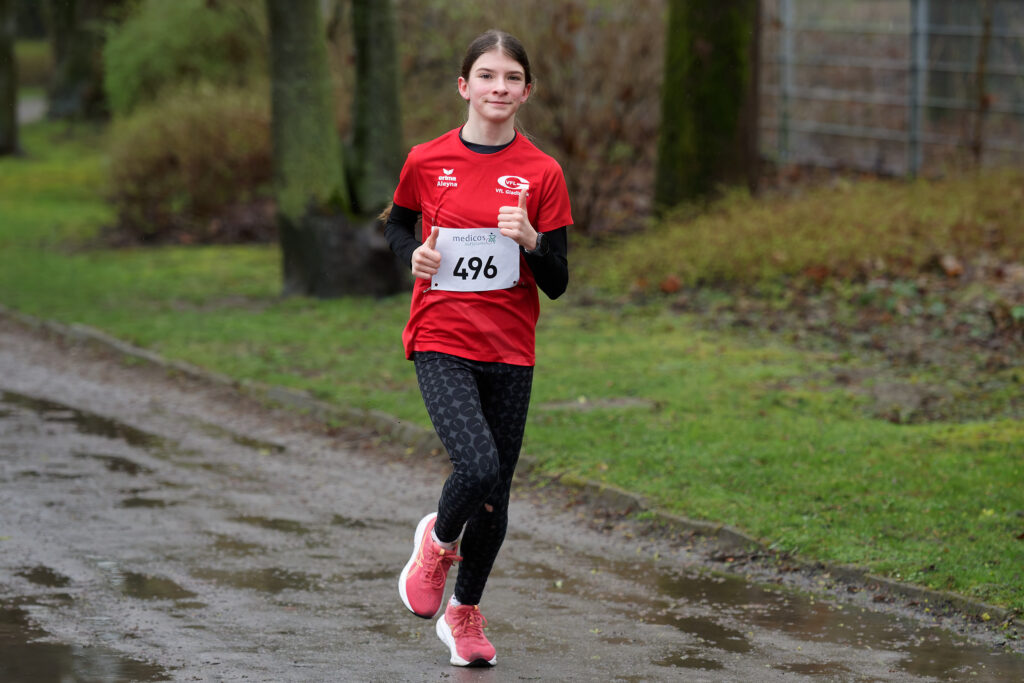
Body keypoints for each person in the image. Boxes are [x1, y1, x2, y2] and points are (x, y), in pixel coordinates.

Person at [384, 29, 571, 668]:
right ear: (464, 86)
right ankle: (436, 544)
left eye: (512, 78)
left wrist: (533, 242)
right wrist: (412, 253)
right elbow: (397, 223)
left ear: (527, 91)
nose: (500, 87)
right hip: (441, 335)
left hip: (511, 348)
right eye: (487, 75)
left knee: (496, 495)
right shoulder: (425, 159)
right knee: (479, 465)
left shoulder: (543, 172)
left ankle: (463, 613)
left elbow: (558, 281)